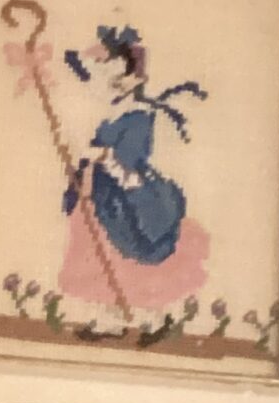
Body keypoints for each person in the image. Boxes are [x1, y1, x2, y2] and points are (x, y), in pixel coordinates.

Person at [56, 25, 211, 322]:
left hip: (127, 198)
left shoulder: (139, 117)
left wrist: (102, 156)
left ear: (134, 81)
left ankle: (148, 317)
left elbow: (129, 161)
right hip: (100, 194)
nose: (109, 86)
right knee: (98, 258)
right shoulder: (107, 116)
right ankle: (108, 317)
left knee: (126, 256)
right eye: (103, 79)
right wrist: (77, 155)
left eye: (117, 80)